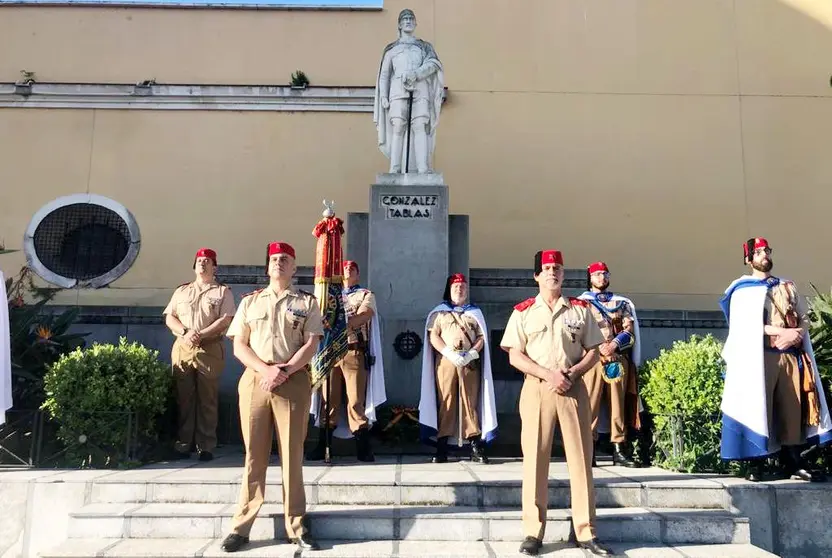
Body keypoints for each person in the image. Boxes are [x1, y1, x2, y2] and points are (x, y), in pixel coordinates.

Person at [500, 250, 612, 557]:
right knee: (536, 462)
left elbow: (593, 350)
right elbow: (514, 354)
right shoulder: (523, 312)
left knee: (580, 461)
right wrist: (548, 374)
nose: (552, 273)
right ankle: (533, 532)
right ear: (536, 275)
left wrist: (573, 372)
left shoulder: (580, 310)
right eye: (547, 268)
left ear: (564, 274)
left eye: (557, 268)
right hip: (538, 390)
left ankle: (586, 532)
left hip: (573, 390)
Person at [220, 242, 323, 553]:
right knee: (254, 456)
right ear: (268, 268)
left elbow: (312, 343)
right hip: (255, 382)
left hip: (292, 382)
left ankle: (296, 525)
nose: (279, 263)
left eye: (285, 259)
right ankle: (242, 527)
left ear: (294, 268)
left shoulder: (307, 302)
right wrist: (265, 370)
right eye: (274, 259)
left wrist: (286, 369)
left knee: (292, 455)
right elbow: (239, 345)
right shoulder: (250, 303)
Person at [719, 237, 832, 482]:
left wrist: (797, 334)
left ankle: (792, 461)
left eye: (767, 251)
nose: (764, 255)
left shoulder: (787, 285)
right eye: (758, 252)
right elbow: (745, 326)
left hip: (789, 355)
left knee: (792, 408)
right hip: (761, 357)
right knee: (758, 406)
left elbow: (804, 316)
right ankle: (755, 463)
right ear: (749, 259)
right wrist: (782, 333)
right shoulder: (742, 290)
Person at [308, 260, 386, 462]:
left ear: (358, 274)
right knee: (328, 400)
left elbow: (364, 315)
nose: (348, 271)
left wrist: (339, 324)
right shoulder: (328, 295)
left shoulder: (365, 294)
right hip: (330, 351)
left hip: (352, 351)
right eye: (344, 268)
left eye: (352, 268)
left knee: (355, 400)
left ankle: (362, 446)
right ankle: (323, 444)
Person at [162, 248, 235, 461]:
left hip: (209, 348)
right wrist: (186, 332)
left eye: (207, 261)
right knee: (184, 397)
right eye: (199, 261)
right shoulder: (182, 291)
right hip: (183, 347)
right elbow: (170, 317)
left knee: (207, 399)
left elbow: (226, 319)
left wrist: (201, 334)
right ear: (194, 266)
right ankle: (183, 444)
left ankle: (206, 445)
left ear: (215, 267)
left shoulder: (223, 292)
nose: (203, 264)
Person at [419, 273, 497, 463]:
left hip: (469, 361)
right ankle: (442, 445)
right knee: (447, 400)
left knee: (470, 401)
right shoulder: (439, 313)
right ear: (449, 290)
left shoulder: (474, 313)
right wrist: (448, 352)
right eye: (456, 287)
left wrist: (472, 353)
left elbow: (481, 337)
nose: (460, 290)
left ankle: (475, 443)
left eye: (463, 287)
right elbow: (433, 336)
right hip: (447, 361)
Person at [579, 261, 642, 468]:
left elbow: (629, 332)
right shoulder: (582, 304)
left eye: (605, 274)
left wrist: (614, 344)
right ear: (590, 278)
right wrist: (597, 348)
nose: (601, 278)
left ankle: (618, 448)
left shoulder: (622, 303)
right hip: (592, 360)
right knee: (590, 404)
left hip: (616, 359)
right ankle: (589, 450)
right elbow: (579, 332)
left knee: (618, 404)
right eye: (597, 274)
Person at [373, 8, 444, 174]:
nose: (408, 21)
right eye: (404, 18)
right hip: (397, 91)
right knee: (398, 126)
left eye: (411, 18)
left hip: (420, 90)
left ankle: (422, 168)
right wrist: (383, 96)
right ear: (399, 24)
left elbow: (434, 64)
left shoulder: (424, 47)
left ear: (415, 23)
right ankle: (395, 168)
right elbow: (384, 75)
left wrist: (417, 74)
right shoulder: (391, 50)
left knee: (420, 125)